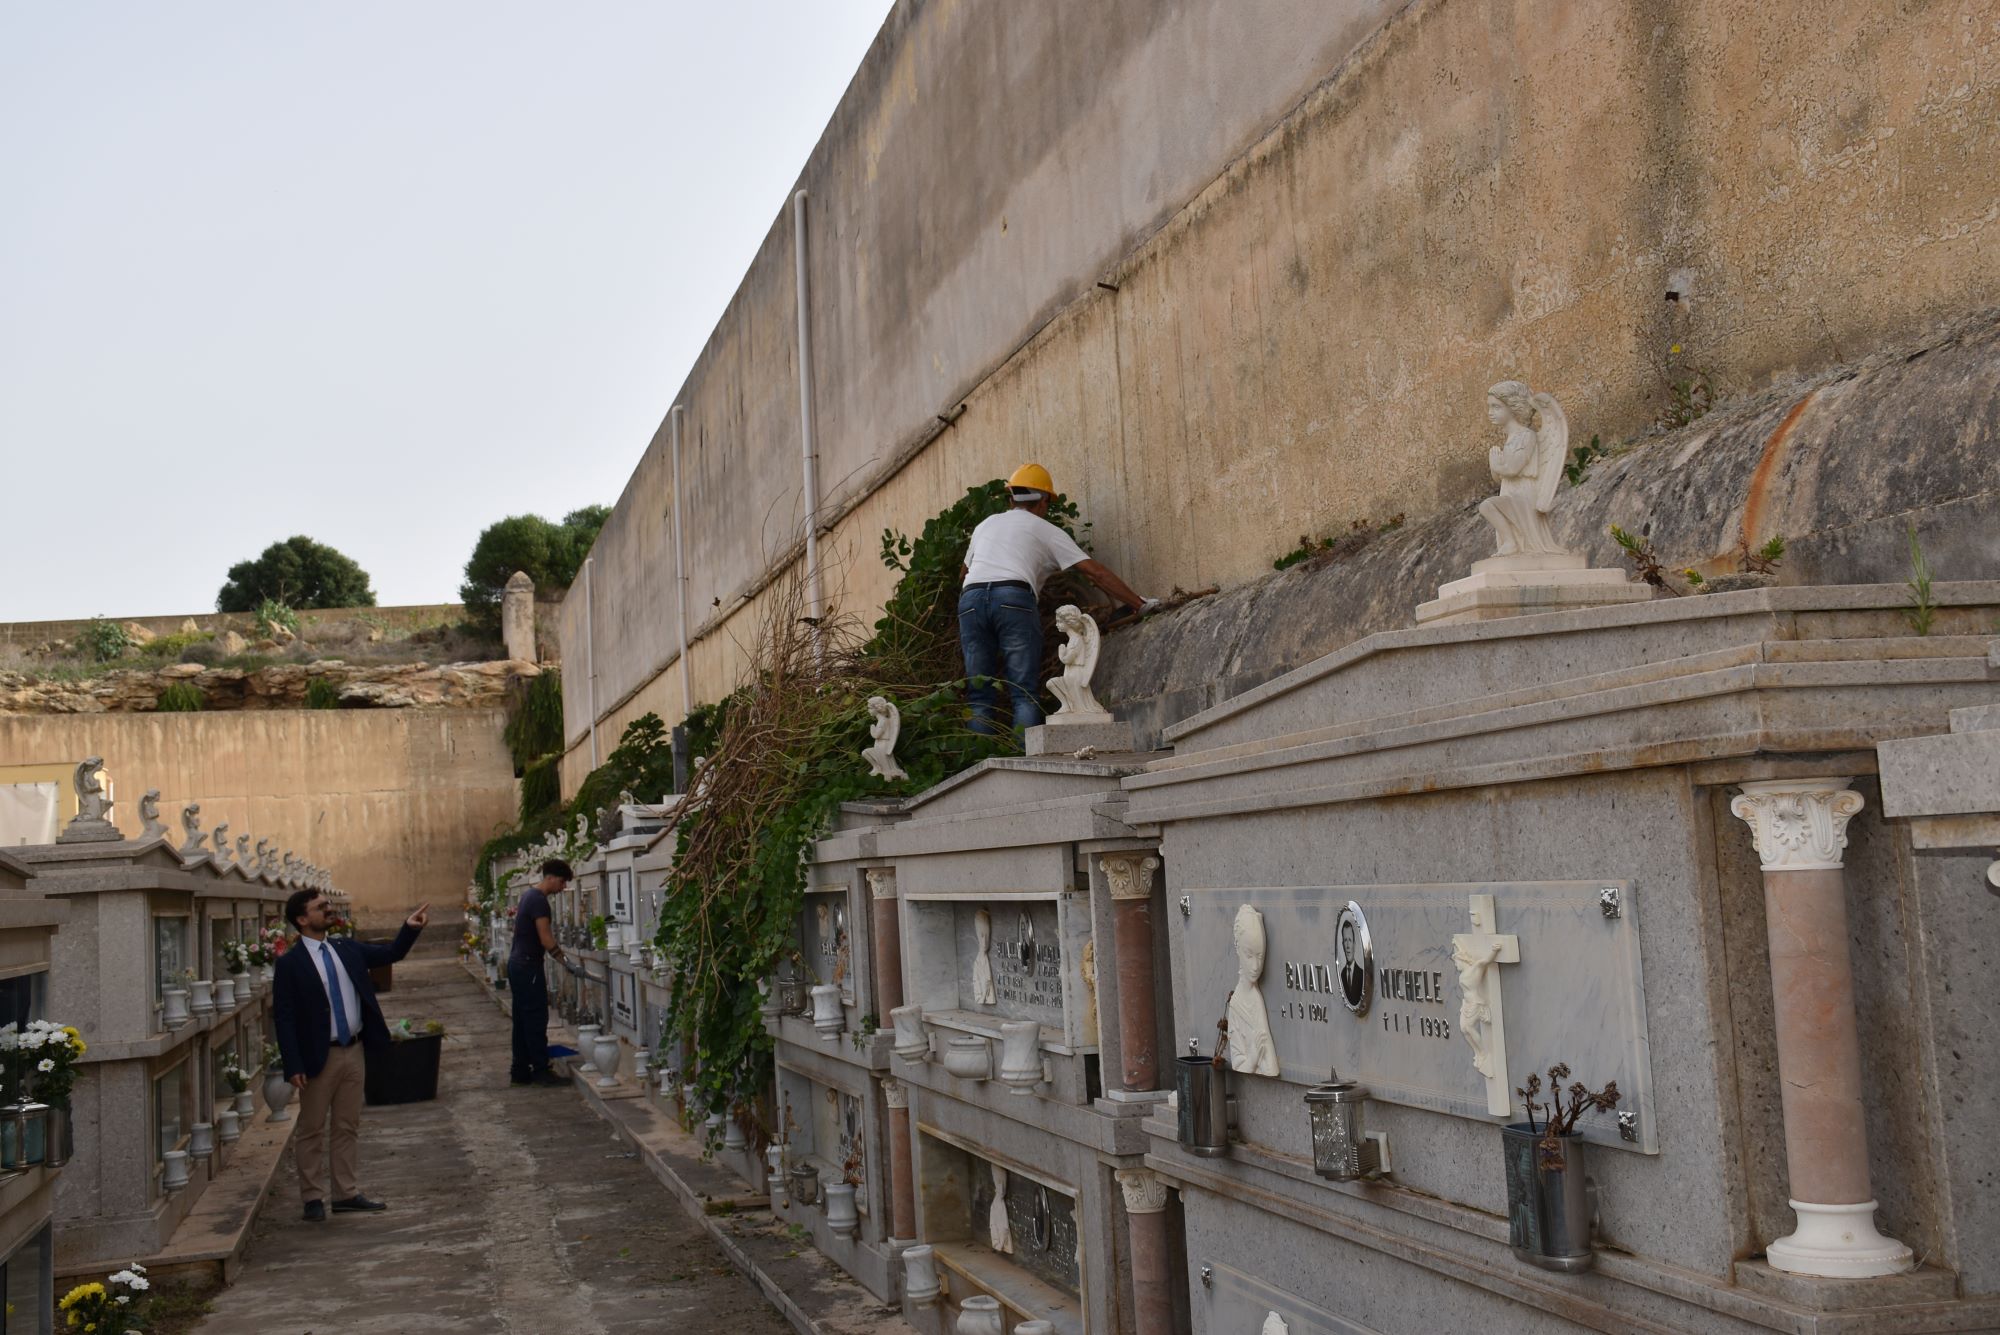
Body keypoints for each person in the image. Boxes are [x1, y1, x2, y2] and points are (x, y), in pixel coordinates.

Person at [958, 464, 1154, 735]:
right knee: (1022, 691)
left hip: (971, 600)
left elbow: (965, 573)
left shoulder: (986, 525)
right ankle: (1026, 762)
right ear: (1044, 501)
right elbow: (1094, 573)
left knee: (979, 695)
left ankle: (978, 764)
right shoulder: (1045, 529)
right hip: (1013, 597)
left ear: (1011, 498)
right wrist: (1138, 603)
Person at [272, 888, 428, 1222]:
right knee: (312, 1128)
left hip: (353, 1050)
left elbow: (391, 953)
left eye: (327, 905)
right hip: (319, 1057)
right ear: (302, 919)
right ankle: (312, 1197)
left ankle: (346, 1193)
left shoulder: (345, 948)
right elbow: (283, 1018)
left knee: (347, 1125)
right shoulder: (290, 964)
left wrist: (410, 927)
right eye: (320, 907)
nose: (328, 910)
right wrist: (293, 1064)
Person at [508, 859, 573, 1087]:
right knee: (536, 1018)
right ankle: (541, 1070)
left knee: (521, 1019)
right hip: (528, 967)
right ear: (551, 877)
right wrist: (565, 961)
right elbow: (545, 938)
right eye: (562, 882)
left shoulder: (528, 895)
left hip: (517, 964)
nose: (563, 888)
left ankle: (520, 1069)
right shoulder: (539, 901)